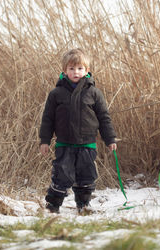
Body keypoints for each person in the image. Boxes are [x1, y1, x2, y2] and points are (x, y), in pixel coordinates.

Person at [39, 48, 117, 214]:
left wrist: (110, 139)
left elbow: (104, 118)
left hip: (87, 143)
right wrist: (44, 141)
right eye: (72, 68)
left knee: (86, 175)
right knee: (62, 175)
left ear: (87, 71)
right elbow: (48, 119)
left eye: (80, 68)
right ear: (64, 71)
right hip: (64, 143)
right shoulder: (56, 94)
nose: (76, 72)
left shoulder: (94, 93)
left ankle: (84, 204)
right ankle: (53, 205)